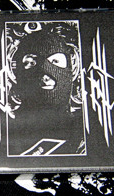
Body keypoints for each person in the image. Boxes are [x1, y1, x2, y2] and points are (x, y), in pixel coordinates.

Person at [8, 22, 85, 156]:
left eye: (55, 62)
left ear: (71, 70)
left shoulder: (84, 131)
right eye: (31, 63)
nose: (44, 76)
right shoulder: (3, 130)